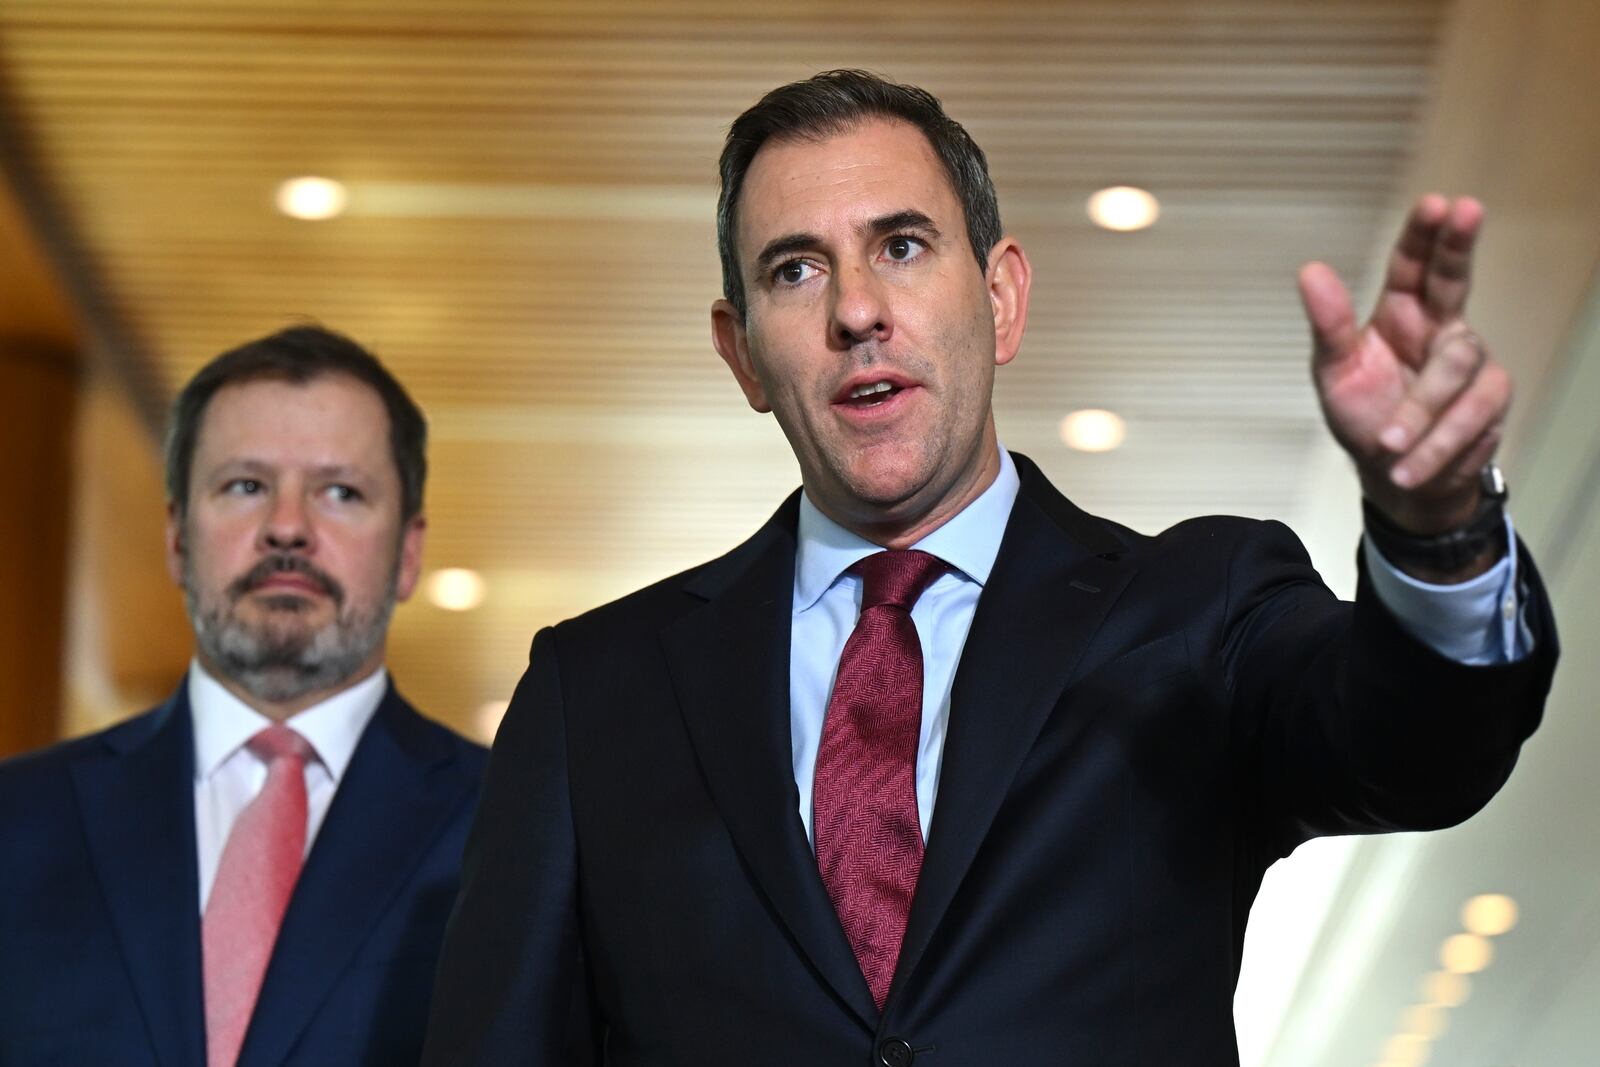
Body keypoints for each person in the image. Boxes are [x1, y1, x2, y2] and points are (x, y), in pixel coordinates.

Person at [422, 71, 1558, 1066]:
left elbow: (1421, 750)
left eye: (900, 246)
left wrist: (1434, 523)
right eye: (794, 270)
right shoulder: (596, 690)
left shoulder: (1194, 608)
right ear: (742, 354)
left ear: (1001, 295)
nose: (857, 310)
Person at [0, 325, 487, 1066]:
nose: (286, 527)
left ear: (409, 553)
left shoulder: (511, 824)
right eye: (245, 485)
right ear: (176, 537)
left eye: (340, 491)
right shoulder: (17, 822)